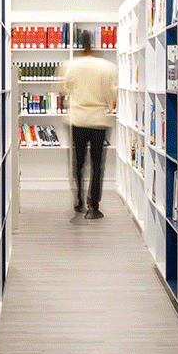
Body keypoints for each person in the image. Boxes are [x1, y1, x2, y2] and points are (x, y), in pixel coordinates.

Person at [58, 29, 117, 218]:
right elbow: (111, 93)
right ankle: (94, 206)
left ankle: (79, 201)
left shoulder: (72, 65)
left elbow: (65, 88)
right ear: (95, 45)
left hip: (78, 118)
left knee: (78, 162)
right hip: (98, 119)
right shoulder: (106, 66)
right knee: (97, 164)